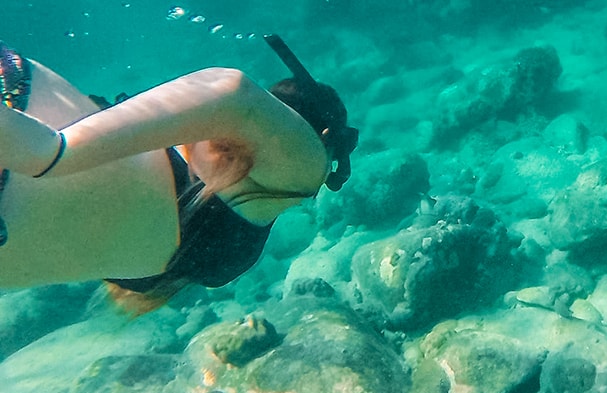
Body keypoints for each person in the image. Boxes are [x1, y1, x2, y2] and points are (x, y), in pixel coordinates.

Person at [0, 35, 358, 310]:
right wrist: (54, 152)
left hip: (27, 121)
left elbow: (232, 92)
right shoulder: (305, 166)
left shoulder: (227, 178)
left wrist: (57, 151)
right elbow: (232, 91)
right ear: (324, 137)